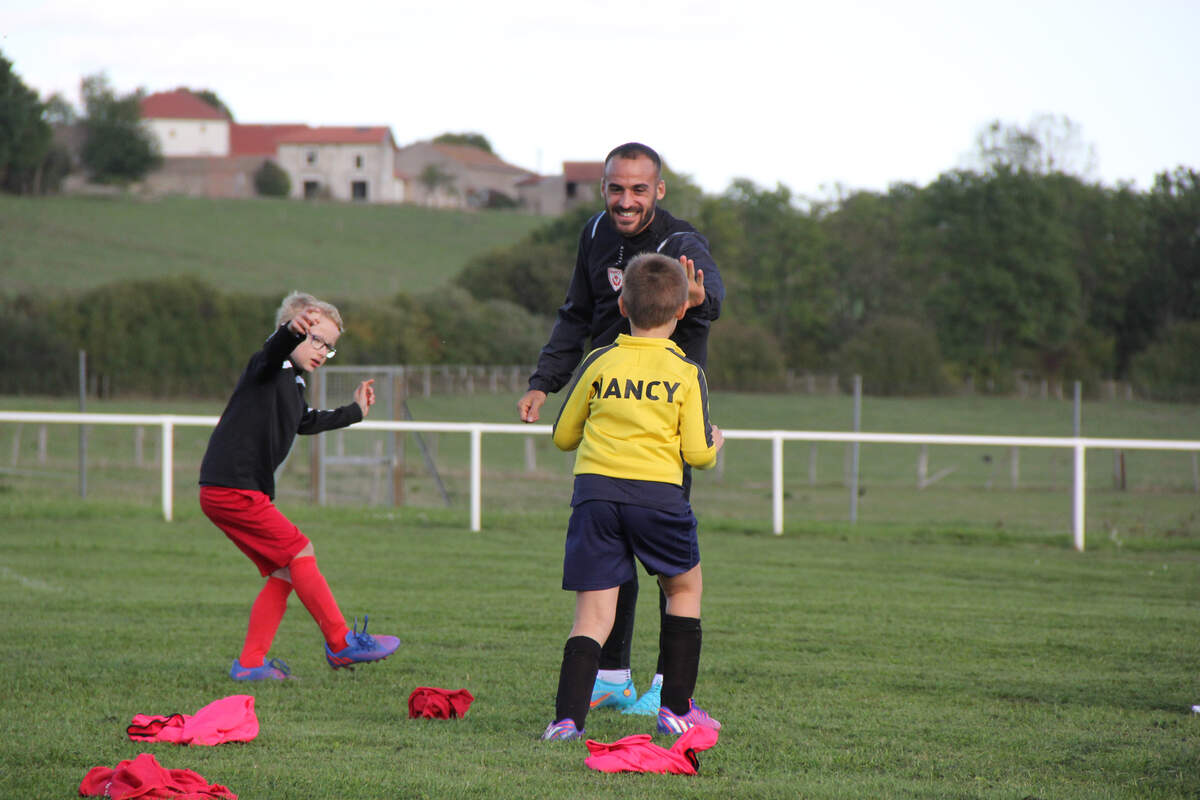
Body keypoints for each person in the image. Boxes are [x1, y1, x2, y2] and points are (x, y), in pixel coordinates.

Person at [519, 142, 724, 716]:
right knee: (618, 560)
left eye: (638, 189)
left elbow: (711, 296)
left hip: (662, 416)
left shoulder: (680, 243)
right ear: (603, 187)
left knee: (660, 566)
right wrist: (544, 381)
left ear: (658, 191)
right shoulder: (593, 235)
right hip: (609, 401)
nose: (625, 200)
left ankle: (664, 687)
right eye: (615, 188)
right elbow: (576, 314)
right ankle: (611, 675)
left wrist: (703, 300)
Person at [540, 253, 724, 741]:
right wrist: (715, 443)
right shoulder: (686, 372)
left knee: (594, 614)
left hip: (596, 495)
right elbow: (697, 454)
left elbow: (562, 437)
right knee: (683, 590)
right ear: (682, 309)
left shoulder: (598, 360)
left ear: (622, 303)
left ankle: (566, 721)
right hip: (658, 496)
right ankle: (676, 710)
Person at [199, 291, 400, 681]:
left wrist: (354, 413)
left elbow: (304, 420)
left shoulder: (292, 382)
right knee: (300, 549)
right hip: (231, 487)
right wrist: (290, 333)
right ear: (292, 331)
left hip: (235, 489)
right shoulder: (268, 367)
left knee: (284, 572)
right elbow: (272, 351)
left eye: (330, 346)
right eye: (316, 339)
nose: (323, 351)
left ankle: (251, 664)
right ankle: (341, 643)